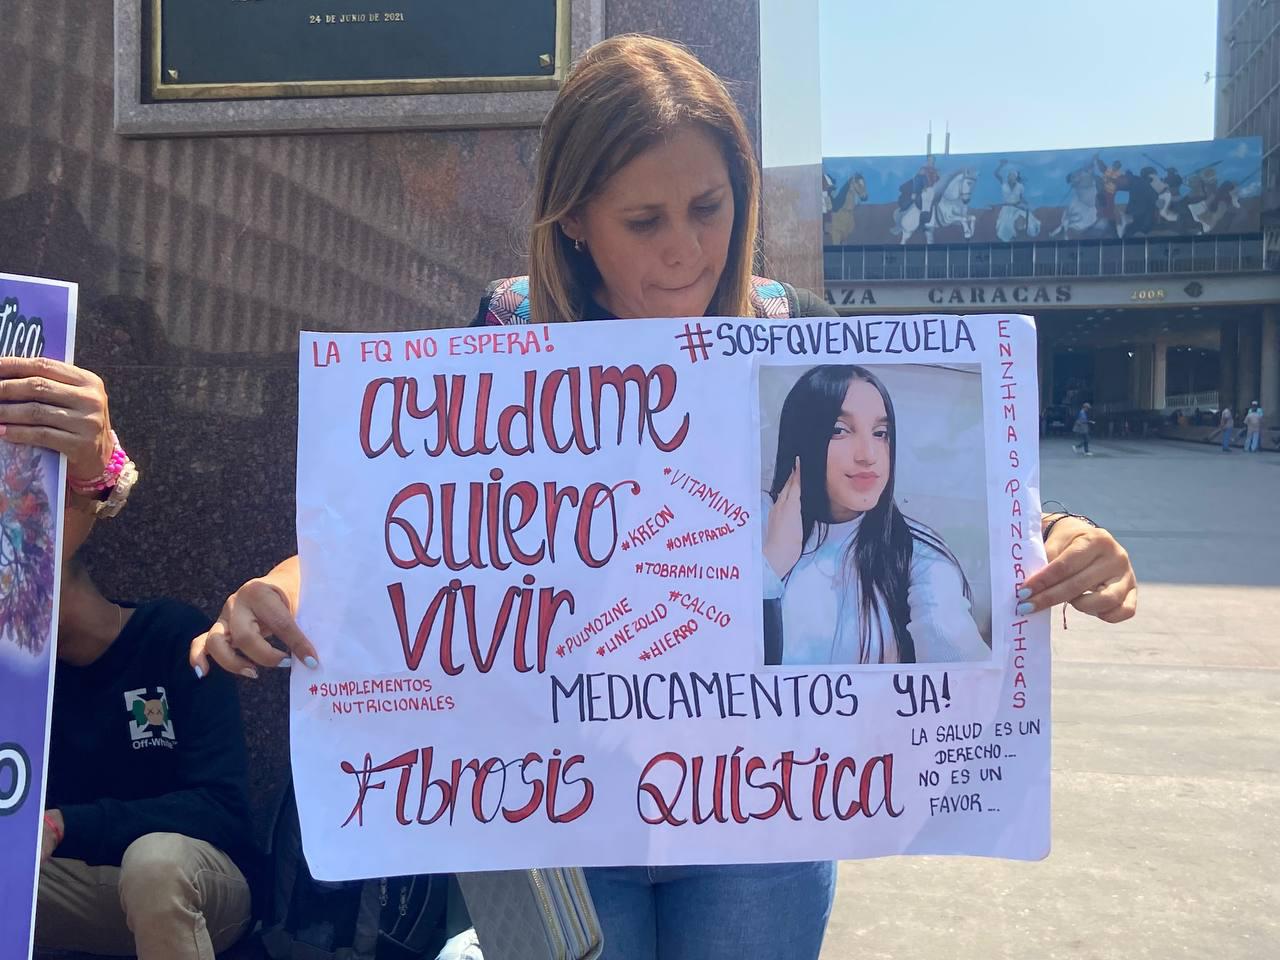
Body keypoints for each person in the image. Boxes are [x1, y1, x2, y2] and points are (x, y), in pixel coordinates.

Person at [187, 35, 1139, 960]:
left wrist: (1060, 538)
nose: (687, 251)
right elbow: (423, 524)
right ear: (573, 220)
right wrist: (288, 585)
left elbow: (945, 502)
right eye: (645, 222)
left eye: (710, 208)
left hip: (759, 816)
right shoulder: (508, 325)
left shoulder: (789, 330)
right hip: (558, 807)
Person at [36, 553, 256, 960]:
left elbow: (222, 810)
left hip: (196, 883)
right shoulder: (25, 683)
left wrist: (66, 823)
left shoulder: (174, 637)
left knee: (153, 864)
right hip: (84, 888)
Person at [761, 364, 986, 665]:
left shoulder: (915, 551)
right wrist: (770, 567)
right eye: (839, 430)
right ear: (803, 436)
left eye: (881, 433)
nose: (868, 455)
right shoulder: (748, 522)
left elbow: (961, 671)